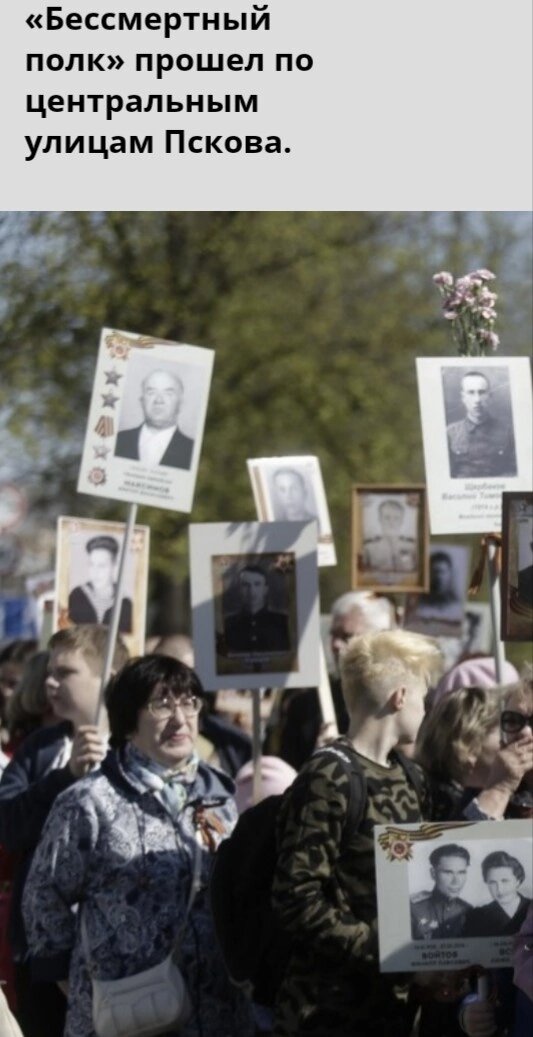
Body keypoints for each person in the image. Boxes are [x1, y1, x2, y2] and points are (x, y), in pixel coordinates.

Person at [22, 655, 254, 1037]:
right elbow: (43, 903)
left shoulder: (219, 795)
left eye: (189, 702)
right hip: (125, 1019)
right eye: (162, 704)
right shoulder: (90, 801)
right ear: (129, 722)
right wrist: (87, 987)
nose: (180, 719)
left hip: (215, 1016)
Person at [270, 629, 442, 1037]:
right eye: (423, 696)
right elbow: (296, 898)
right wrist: (386, 949)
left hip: (391, 1010)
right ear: (400, 696)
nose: (425, 709)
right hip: (325, 1014)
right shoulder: (329, 775)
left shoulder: (411, 776)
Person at [0, 625, 128, 1037]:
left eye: (66, 673)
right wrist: (64, 777)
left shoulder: (136, 749)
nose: (50, 683)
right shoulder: (40, 748)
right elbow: (7, 826)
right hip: (39, 954)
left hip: (116, 951)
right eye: (50, 671)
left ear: (106, 677)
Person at [114, 367, 194, 469]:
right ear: (142, 401)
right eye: (151, 393)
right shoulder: (117, 441)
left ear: (180, 403)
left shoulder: (192, 451)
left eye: (168, 394)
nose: (159, 400)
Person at [446, 369, 517, 479]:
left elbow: (517, 472)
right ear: (463, 397)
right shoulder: (450, 433)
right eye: (471, 392)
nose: (477, 399)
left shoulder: (508, 432)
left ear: (490, 396)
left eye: (481, 392)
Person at [68, 535, 133, 633]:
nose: (95, 572)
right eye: (92, 564)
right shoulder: (77, 596)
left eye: (102, 566)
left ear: (114, 566)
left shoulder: (126, 604)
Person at [223, 564, 291, 654]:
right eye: (246, 585)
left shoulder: (282, 622)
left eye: (257, 584)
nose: (251, 591)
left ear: (265, 589)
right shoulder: (228, 624)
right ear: (239, 590)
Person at [410, 844, 472, 940]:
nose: (456, 881)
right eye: (448, 872)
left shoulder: (468, 910)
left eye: (461, 872)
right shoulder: (412, 908)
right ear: (433, 874)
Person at [464, 852, 531, 938]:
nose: (499, 889)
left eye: (505, 881)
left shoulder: (530, 907)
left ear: (518, 881)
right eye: (492, 882)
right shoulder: (476, 916)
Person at [362, 499, 417, 573]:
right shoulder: (369, 548)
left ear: (402, 521)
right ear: (380, 519)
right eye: (387, 518)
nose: (391, 522)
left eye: (396, 518)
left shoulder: (412, 546)